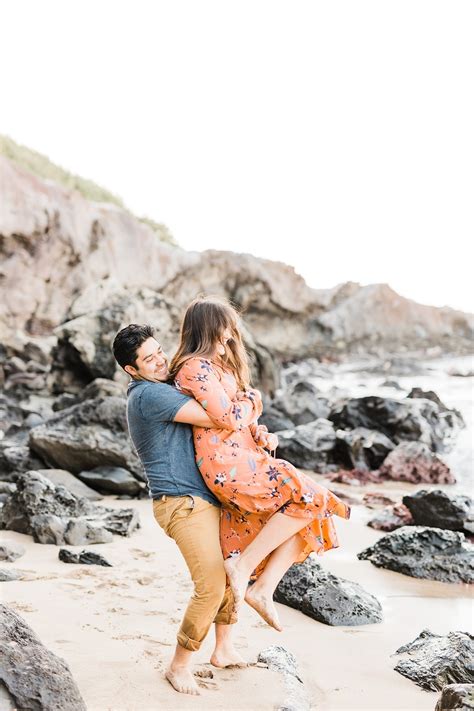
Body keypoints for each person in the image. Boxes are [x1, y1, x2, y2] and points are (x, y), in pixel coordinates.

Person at [168, 296, 351, 632]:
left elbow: (241, 423)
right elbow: (226, 416)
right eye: (226, 325)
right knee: (309, 496)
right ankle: (246, 569)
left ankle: (263, 589)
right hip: (225, 464)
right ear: (212, 327)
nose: (232, 332)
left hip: (246, 456)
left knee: (312, 517)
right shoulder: (194, 368)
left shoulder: (222, 369)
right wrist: (255, 399)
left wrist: (262, 434)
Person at [112, 324, 245, 697]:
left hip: (204, 497)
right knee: (212, 584)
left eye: (159, 351)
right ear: (130, 370)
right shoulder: (148, 395)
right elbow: (221, 418)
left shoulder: (164, 385)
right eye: (148, 359)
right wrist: (251, 401)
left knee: (233, 570)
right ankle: (179, 665)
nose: (160, 361)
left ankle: (223, 649)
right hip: (180, 502)